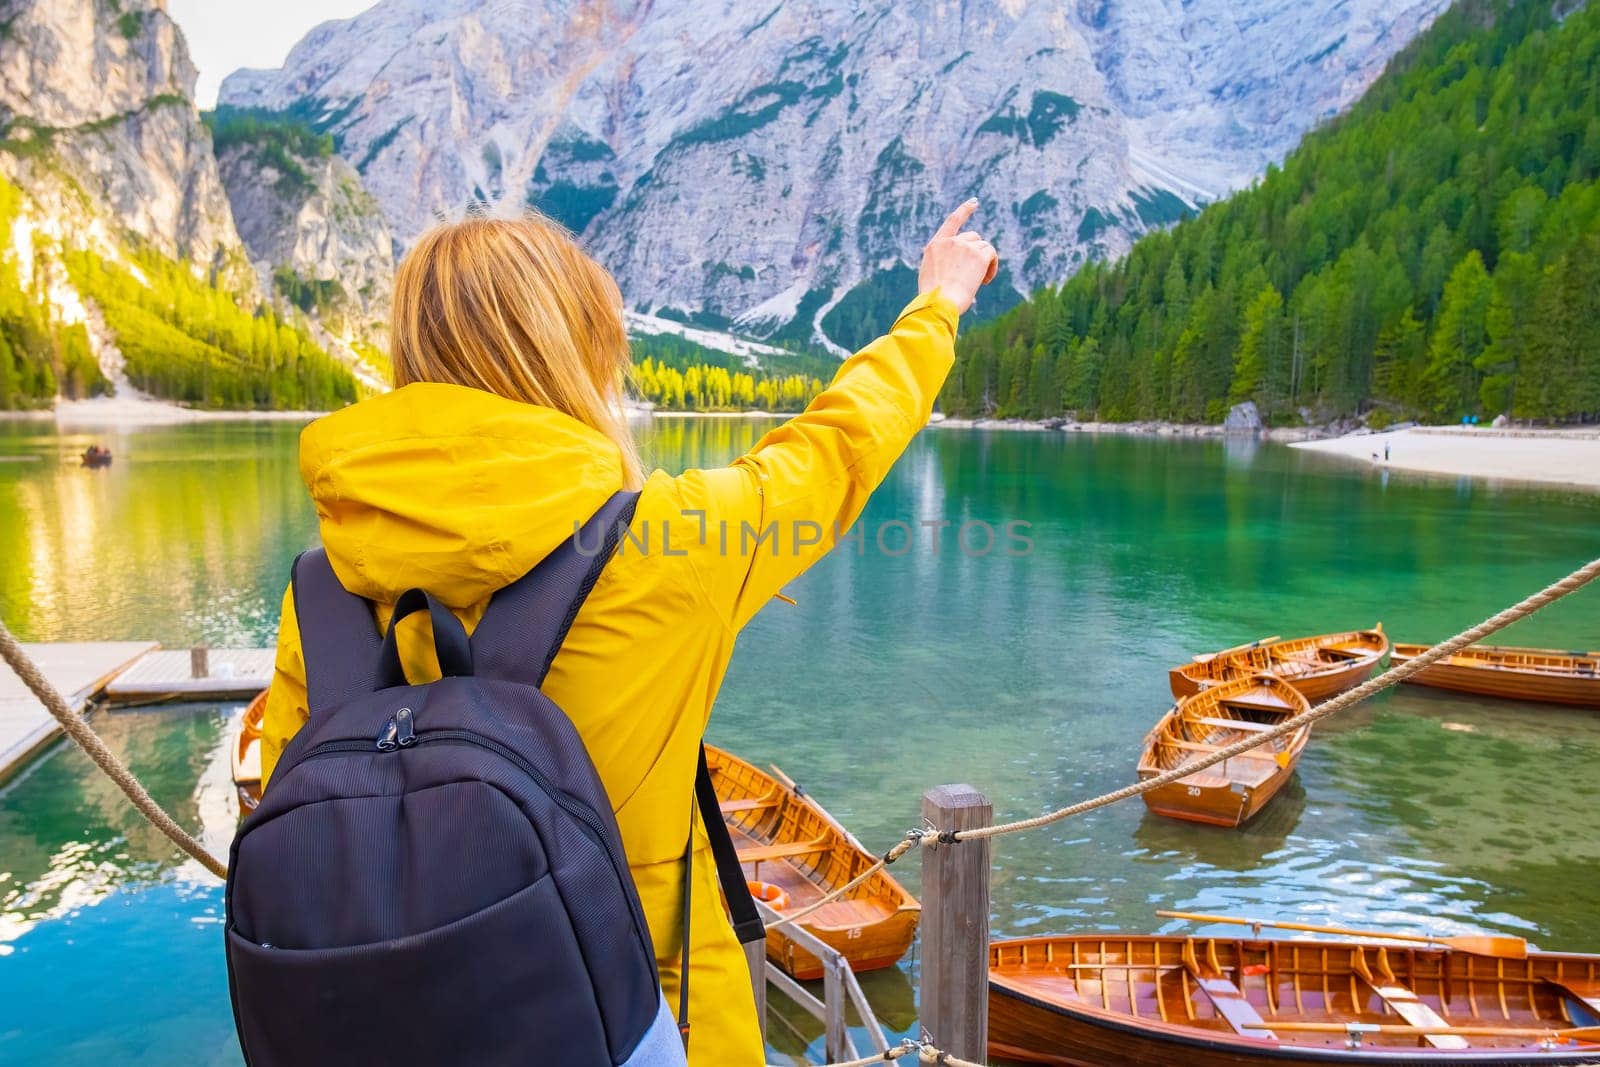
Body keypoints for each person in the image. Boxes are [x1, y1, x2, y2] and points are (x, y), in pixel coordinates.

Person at [257, 199, 998, 1064]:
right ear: (572, 349)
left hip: (392, 1032)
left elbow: (282, 801)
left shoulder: (324, 578)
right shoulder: (673, 537)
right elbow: (839, 444)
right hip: (641, 1024)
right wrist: (936, 305)